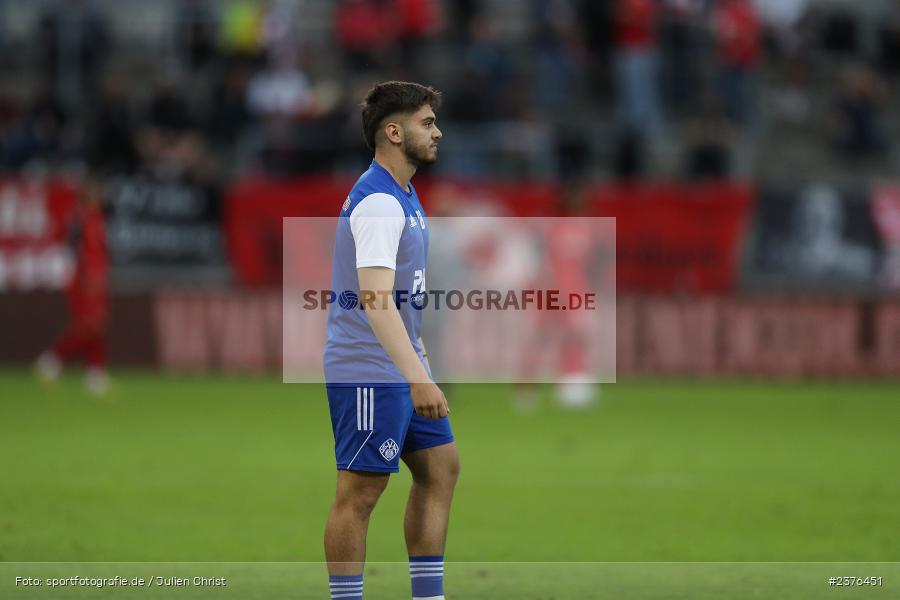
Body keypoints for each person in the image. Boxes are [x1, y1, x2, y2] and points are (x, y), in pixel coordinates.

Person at [322, 81, 459, 600]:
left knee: (440, 468)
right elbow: (375, 299)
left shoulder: (402, 193)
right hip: (367, 369)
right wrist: (418, 377)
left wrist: (417, 354)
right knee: (360, 491)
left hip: (398, 364)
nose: (437, 132)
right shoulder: (379, 202)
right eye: (427, 123)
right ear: (394, 133)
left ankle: (428, 595)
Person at [35, 172, 110, 395]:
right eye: (95, 193)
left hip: (97, 277)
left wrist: (100, 275)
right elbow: (74, 250)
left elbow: (100, 252)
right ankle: (52, 360)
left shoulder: (97, 218)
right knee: (88, 325)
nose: (99, 197)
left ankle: (95, 374)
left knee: (97, 325)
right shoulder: (79, 219)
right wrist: (84, 275)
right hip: (83, 278)